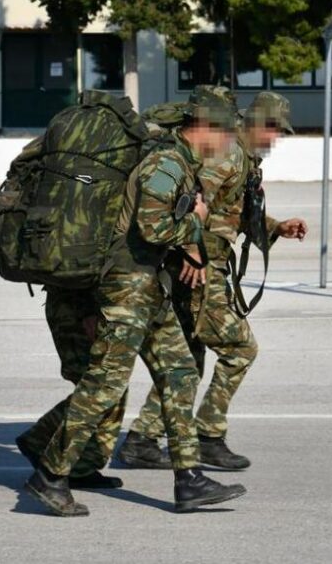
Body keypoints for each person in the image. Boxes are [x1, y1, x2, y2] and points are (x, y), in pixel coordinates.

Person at [24, 97, 247, 517]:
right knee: (105, 384)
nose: (229, 141)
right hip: (127, 290)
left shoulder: (179, 162)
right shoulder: (165, 164)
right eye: (225, 132)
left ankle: (189, 480)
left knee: (180, 373)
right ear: (204, 126)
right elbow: (153, 225)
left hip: (150, 288)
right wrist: (196, 219)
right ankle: (50, 474)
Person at [118, 91, 308, 471]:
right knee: (240, 349)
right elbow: (188, 201)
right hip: (200, 270)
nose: (275, 139)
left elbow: (228, 214)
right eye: (273, 130)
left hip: (199, 267)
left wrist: (275, 227)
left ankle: (142, 439)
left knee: (189, 356)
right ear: (256, 124)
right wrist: (193, 251)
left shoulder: (243, 158)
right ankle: (208, 434)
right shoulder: (229, 154)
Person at [14, 286, 125, 490]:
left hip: (85, 306)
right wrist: (87, 310)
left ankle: (78, 467)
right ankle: (39, 440)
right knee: (99, 389)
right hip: (77, 309)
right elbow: (79, 269)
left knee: (106, 389)